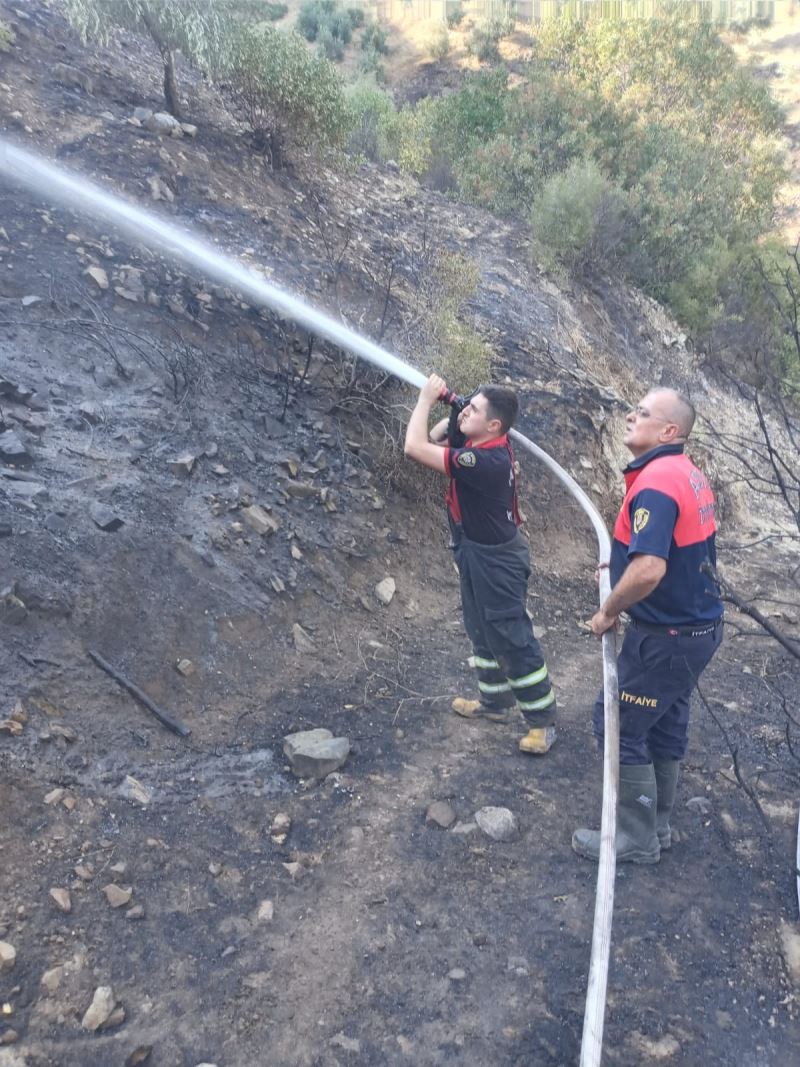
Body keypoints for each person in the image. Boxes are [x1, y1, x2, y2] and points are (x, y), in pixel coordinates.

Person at [572, 387, 723, 864]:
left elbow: (650, 569)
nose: (630, 417)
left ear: (669, 431)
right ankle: (658, 824)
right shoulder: (686, 472)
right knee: (663, 724)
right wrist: (618, 565)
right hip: (696, 633)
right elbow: (671, 555)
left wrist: (609, 609)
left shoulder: (656, 483)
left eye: (642, 413)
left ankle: (636, 839)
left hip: (667, 639)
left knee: (618, 723)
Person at [404, 373, 557, 755]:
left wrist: (424, 400)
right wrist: (455, 408)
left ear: (494, 426)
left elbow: (415, 447)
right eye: (467, 404)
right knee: (480, 629)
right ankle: (495, 706)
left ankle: (543, 722)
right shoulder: (476, 440)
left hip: (498, 561)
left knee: (510, 634)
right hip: (473, 550)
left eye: (474, 410)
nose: (465, 412)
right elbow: (441, 434)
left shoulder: (484, 459)